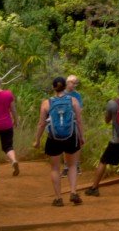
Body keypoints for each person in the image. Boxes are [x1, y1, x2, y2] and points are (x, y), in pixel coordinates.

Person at [34, 75, 84, 206]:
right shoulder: (73, 100)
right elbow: (78, 121)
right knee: (72, 165)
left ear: (53, 87)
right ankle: (73, 192)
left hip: (53, 138)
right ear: (65, 86)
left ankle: (58, 198)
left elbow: (41, 124)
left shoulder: (46, 103)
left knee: (55, 168)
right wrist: (81, 137)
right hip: (71, 137)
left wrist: (37, 140)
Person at [86, 82, 119, 198]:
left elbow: (107, 120)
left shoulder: (112, 104)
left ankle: (94, 188)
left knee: (103, 161)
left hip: (117, 140)